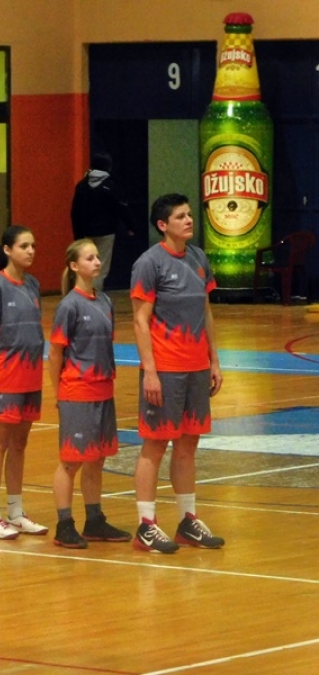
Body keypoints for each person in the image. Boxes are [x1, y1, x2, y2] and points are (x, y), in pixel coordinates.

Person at [130, 193, 224, 553]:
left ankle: (188, 521)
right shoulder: (149, 263)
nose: (188, 220)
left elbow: (206, 311)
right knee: (155, 445)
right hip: (165, 369)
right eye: (180, 216)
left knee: (188, 445)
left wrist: (214, 360)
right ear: (162, 225)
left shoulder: (199, 258)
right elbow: (140, 320)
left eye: (189, 214)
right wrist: (151, 372)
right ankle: (146, 525)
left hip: (196, 367)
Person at [49, 239, 132, 548]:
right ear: (74, 266)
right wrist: (59, 394)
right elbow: (55, 353)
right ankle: (64, 524)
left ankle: (94, 520)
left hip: (103, 390)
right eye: (89, 258)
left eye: (97, 257)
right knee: (71, 461)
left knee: (96, 459)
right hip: (77, 391)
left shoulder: (105, 301)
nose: (97, 262)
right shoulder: (69, 305)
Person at [0, 226, 48, 540]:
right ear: (7, 250)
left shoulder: (33, 284)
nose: (30, 251)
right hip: (4, 376)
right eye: (23, 246)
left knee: (20, 444)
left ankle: (15, 512)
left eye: (33, 245)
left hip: (31, 376)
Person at [70, 151, 135, 291]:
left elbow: (75, 212)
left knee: (85, 264)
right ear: (109, 166)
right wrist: (130, 226)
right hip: (106, 232)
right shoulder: (111, 186)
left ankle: (83, 293)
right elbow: (121, 208)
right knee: (100, 266)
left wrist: (77, 234)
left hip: (85, 233)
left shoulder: (82, 186)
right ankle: (95, 296)